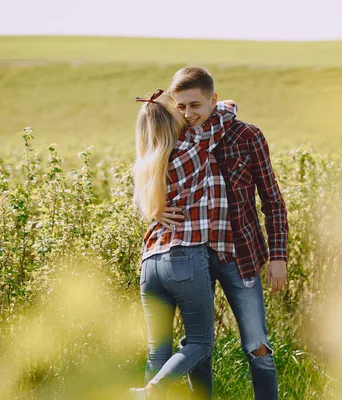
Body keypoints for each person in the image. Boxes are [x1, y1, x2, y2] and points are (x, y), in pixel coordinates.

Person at [156, 67, 289, 400]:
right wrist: (154, 209)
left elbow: (272, 200)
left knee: (258, 346)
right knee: (198, 345)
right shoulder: (174, 138)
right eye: (181, 106)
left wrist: (279, 257)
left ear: (213, 100)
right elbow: (147, 179)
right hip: (191, 256)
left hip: (239, 256)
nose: (188, 114)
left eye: (195, 105)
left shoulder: (247, 137)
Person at [129, 88, 244, 399]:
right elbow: (228, 108)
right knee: (200, 342)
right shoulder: (190, 147)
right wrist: (194, 109)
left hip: (150, 262)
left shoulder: (145, 165)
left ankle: (148, 392)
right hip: (184, 257)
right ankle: (153, 390)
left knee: (157, 351)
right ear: (174, 121)